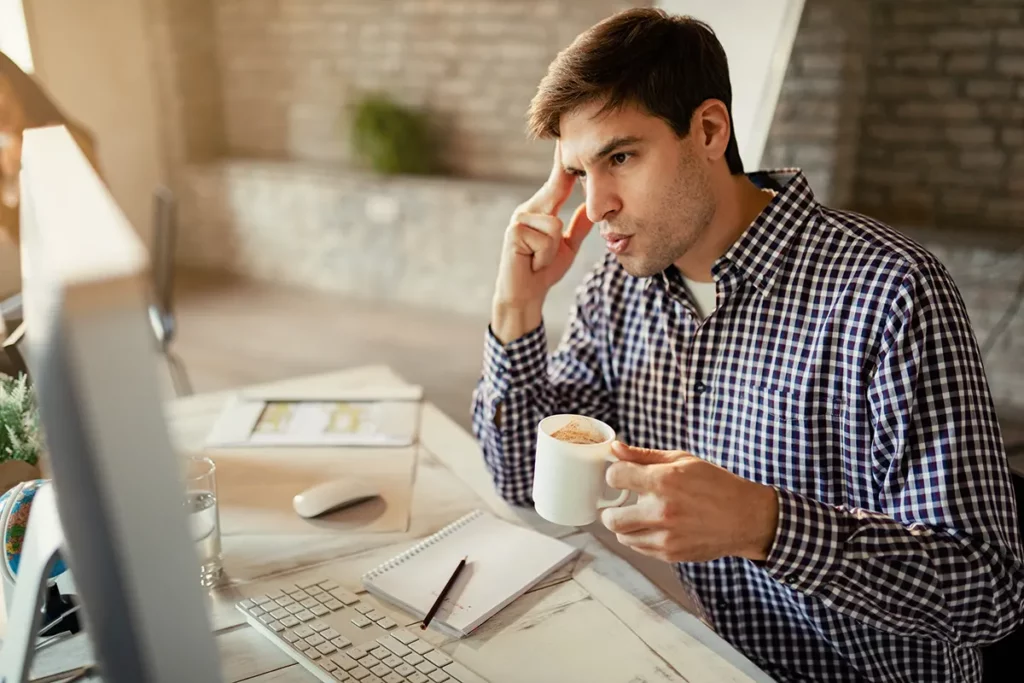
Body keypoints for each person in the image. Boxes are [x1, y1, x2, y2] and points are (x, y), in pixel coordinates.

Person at [470, 8, 1024, 683]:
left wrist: (767, 525)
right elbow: (525, 480)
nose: (598, 204)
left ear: (708, 130)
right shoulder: (618, 288)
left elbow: (990, 595)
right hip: (682, 651)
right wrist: (516, 309)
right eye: (581, 173)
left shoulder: (892, 292)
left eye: (620, 156)